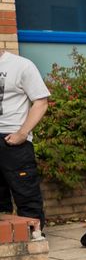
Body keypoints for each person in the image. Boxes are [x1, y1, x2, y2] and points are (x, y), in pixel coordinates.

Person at [0, 45, 50, 241]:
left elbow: (41, 101)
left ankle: (34, 239)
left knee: (26, 194)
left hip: (13, 141)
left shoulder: (21, 66)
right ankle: (6, 242)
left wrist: (22, 132)